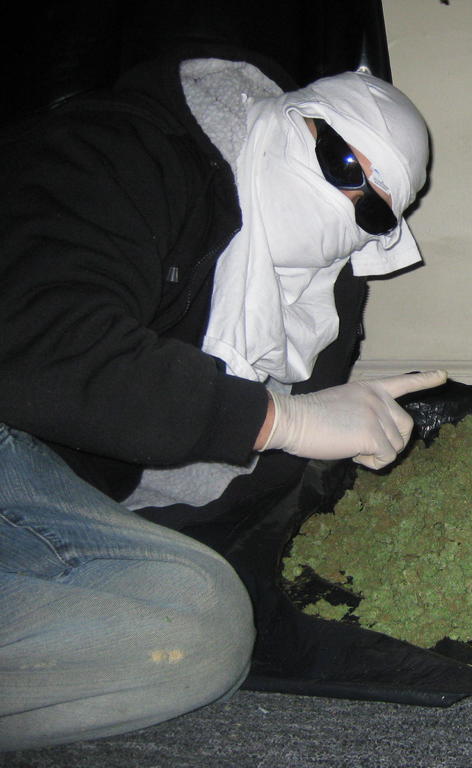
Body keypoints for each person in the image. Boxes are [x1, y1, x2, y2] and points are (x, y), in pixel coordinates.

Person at [0, 45, 445, 750]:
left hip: (64, 495)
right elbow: (41, 349)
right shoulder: (125, 150)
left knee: (197, 630)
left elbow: (233, 479)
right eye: (342, 165)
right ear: (296, 118)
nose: (347, 203)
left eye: (373, 211)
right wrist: (282, 418)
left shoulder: (321, 300)